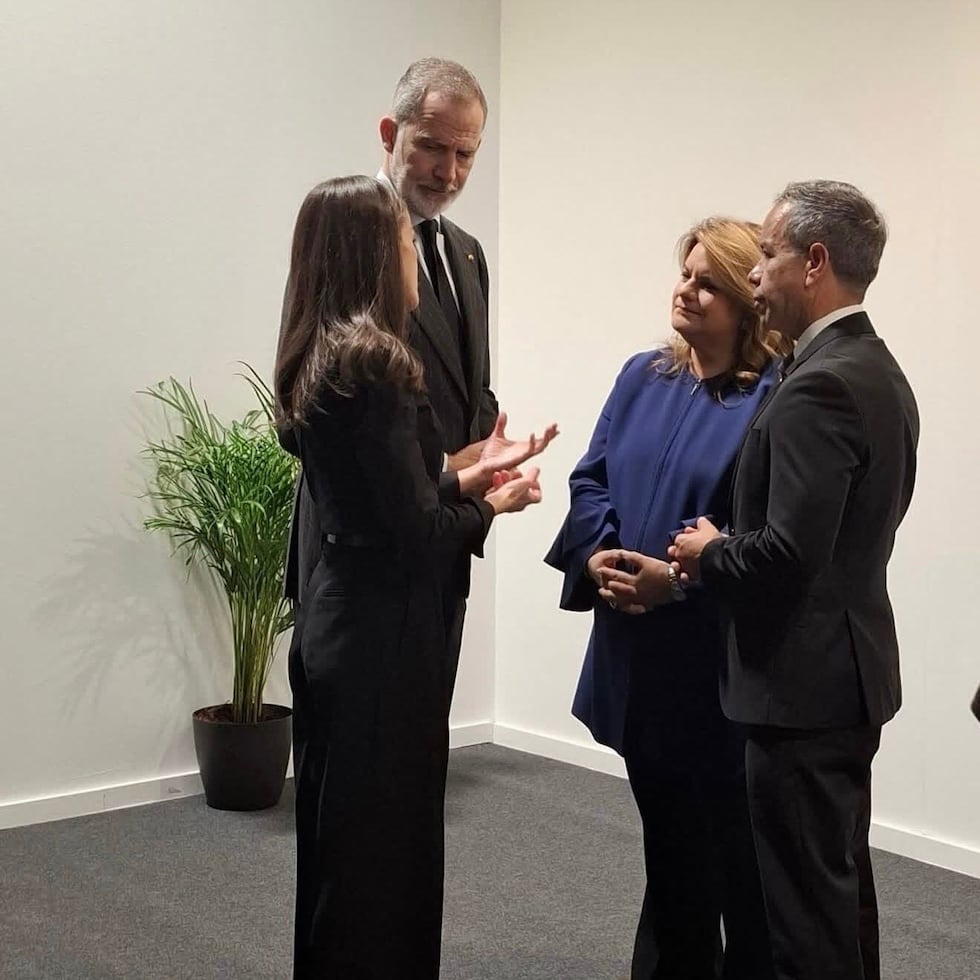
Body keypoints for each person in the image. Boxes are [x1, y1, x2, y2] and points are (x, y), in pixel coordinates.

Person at [274, 176, 543, 979]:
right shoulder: (378, 366)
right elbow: (418, 534)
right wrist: (497, 505)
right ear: (372, 257)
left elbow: (394, 496)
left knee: (340, 845)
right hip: (383, 643)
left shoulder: (317, 355)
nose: (416, 266)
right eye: (402, 246)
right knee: (385, 853)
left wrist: (470, 477)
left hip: (340, 623)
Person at [669, 181, 919, 980]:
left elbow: (785, 557)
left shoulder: (819, 385)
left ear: (813, 264)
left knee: (803, 922)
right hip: (844, 680)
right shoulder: (878, 369)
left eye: (768, 256)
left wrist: (709, 552)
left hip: (800, 695)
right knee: (840, 899)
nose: (755, 276)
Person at [546, 217, 784, 980]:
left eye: (709, 282)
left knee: (728, 865)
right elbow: (591, 479)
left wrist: (674, 581)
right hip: (634, 653)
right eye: (686, 273)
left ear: (748, 303)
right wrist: (601, 554)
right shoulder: (645, 375)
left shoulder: (771, 401)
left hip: (711, 668)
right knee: (672, 849)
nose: (686, 289)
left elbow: (758, 537)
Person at [283, 59, 542, 712]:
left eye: (465, 154)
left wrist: (486, 457)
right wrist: (440, 472)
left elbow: (472, 386)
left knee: (413, 751)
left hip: (436, 535)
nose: (448, 172)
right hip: (360, 551)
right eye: (431, 147)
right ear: (389, 132)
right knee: (361, 763)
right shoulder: (345, 231)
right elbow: (308, 412)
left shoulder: (468, 253)